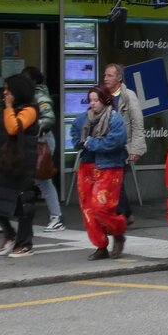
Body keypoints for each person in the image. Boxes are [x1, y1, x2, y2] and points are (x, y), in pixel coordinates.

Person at [70, 86, 128, 260]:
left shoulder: (115, 119)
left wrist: (91, 143)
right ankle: (100, 245)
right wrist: (82, 142)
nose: (93, 103)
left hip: (110, 166)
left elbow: (115, 142)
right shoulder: (82, 119)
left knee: (100, 207)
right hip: (87, 166)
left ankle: (118, 230)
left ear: (105, 100)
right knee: (88, 209)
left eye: (96, 100)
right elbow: (75, 138)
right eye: (91, 100)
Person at [0, 75, 40, 258]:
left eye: (8, 90)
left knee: (24, 203)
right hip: (7, 160)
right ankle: (9, 234)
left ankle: (25, 243)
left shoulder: (30, 109)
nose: (5, 93)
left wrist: (8, 107)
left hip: (23, 162)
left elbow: (13, 128)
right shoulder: (10, 108)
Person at [103, 64, 145, 226]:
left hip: (122, 146)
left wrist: (136, 149)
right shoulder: (103, 95)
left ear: (119, 78)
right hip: (107, 145)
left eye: (110, 75)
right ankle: (126, 213)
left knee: (115, 181)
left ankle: (120, 216)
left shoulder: (128, 96)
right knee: (115, 181)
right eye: (105, 75)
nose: (106, 78)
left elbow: (137, 122)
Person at [21, 67, 63, 231]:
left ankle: (56, 218)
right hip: (31, 141)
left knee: (43, 179)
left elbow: (48, 118)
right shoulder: (27, 95)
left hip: (41, 142)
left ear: (33, 81)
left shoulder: (40, 96)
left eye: (25, 78)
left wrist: (32, 129)